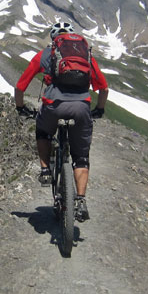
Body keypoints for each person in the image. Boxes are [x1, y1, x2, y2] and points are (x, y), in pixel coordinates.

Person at [14, 19, 109, 222]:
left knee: (43, 131)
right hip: (82, 107)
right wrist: (99, 109)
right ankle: (81, 201)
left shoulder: (46, 54)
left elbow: (20, 86)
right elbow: (104, 88)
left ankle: (46, 170)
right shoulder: (86, 55)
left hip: (53, 106)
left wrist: (20, 108)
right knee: (81, 157)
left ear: (54, 39)